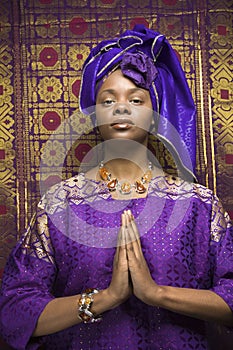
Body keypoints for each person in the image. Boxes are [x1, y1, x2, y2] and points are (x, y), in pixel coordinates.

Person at [0, 25, 233, 350]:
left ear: (154, 114)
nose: (121, 108)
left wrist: (156, 293)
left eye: (135, 98)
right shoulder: (61, 204)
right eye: (108, 100)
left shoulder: (197, 204)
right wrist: (106, 298)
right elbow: (14, 311)